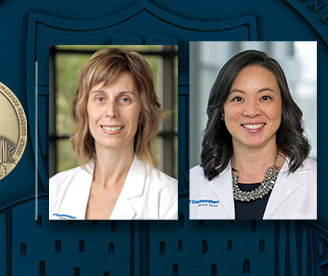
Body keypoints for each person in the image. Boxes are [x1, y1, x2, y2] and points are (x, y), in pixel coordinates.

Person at [49, 47, 178, 220]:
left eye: (125, 99)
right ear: (84, 109)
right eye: (100, 98)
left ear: (142, 111)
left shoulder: (170, 198)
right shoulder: (55, 189)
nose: (111, 112)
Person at [190, 50, 316, 220]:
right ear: (221, 110)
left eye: (265, 98)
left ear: (282, 107)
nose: (251, 112)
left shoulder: (318, 181)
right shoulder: (191, 184)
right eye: (238, 99)